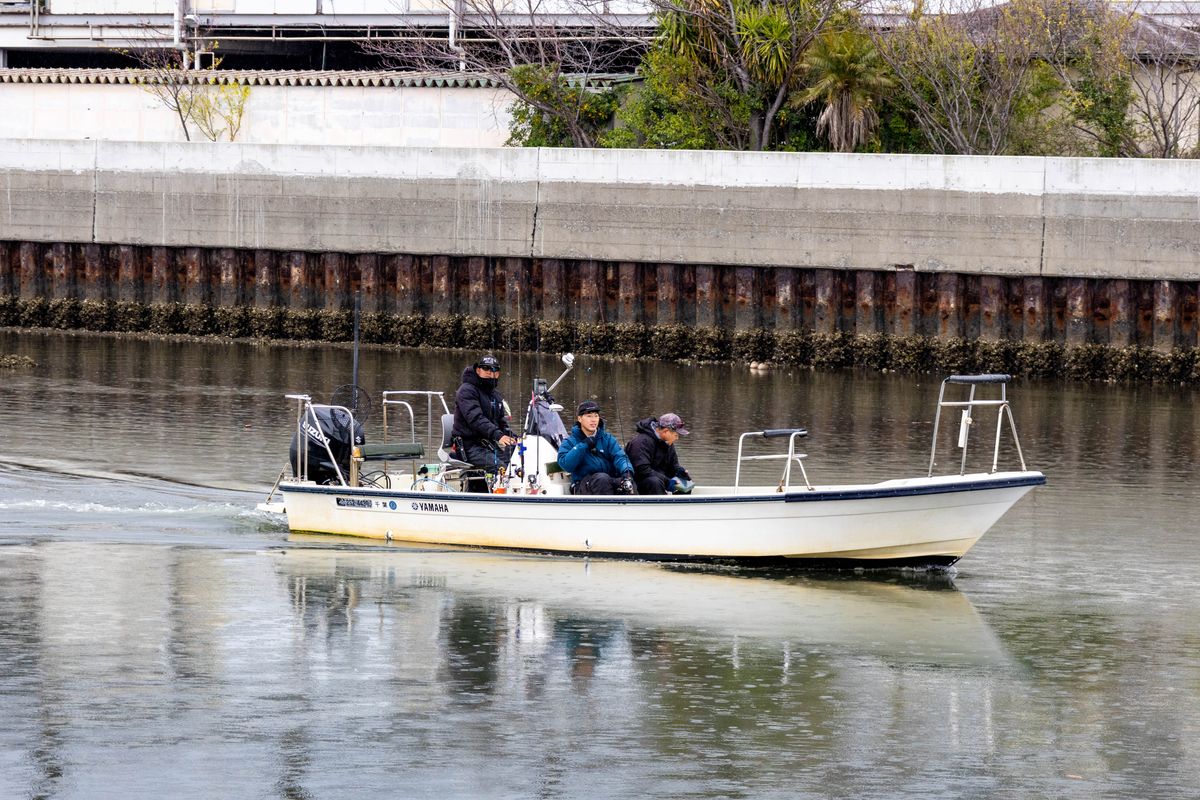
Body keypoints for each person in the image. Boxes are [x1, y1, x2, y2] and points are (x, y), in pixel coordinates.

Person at [452, 355, 518, 476]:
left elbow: (500, 421)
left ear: (497, 374)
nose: (489, 372)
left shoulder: (495, 395)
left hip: (488, 444)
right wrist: (498, 435)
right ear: (478, 370)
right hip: (469, 447)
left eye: (493, 369)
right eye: (485, 368)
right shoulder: (466, 390)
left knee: (514, 464)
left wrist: (512, 436)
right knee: (502, 469)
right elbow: (476, 419)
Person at [557, 400, 636, 495]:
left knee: (629, 484)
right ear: (580, 419)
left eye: (596, 416)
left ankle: (634, 508)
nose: (593, 420)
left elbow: (620, 457)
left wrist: (627, 473)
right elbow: (566, 465)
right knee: (602, 479)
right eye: (589, 416)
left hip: (607, 480)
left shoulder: (608, 438)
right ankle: (605, 509)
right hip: (583, 485)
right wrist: (583, 445)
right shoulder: (570, 442)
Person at [625, 413, 693, 495]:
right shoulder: (641, 442)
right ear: (666, 431)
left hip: (660, 479)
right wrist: (667, 481)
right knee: (654, 482)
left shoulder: (668, 443)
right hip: (638, 483)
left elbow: (673, 465)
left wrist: (679, 472)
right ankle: (659, 506)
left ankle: (680, 506)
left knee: (685, 481)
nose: (677, 438)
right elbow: (642, 470)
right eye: (676, 435)